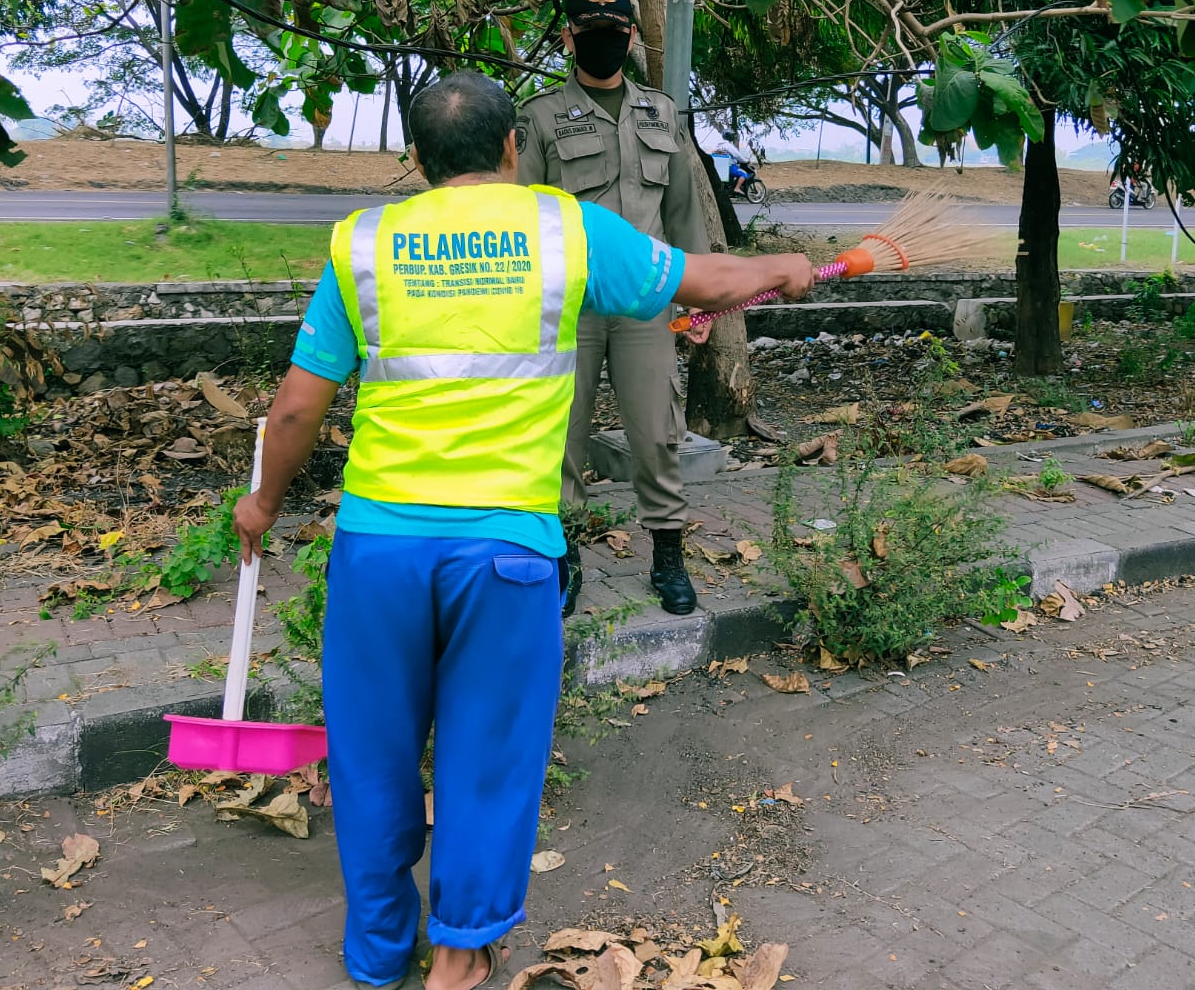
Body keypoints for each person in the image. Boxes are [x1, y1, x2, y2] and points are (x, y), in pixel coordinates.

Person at [231, 70, 813, 990]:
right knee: (488, 758)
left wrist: (262, 503)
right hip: (505, 555)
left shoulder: (363, 243)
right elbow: (706, 279)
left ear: (416, 159)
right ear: (512, 146)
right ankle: (461, 952)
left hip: (379, 551)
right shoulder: (563, 228)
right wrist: (787, 268)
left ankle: (377, 953)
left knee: (372, 754)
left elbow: (298, 406)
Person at [515, 0, 713, 620]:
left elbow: (682, 212)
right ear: (568, 37)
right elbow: (523, 218)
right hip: (566, 306)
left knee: (657, 434)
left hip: (646, 302)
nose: (603, 40)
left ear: (630, 38)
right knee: (559, 438)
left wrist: (699, 295)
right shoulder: (540, 117)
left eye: (614, 31)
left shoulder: (662, 113)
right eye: (590, 31)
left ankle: (668, 556)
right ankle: (565, 557)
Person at [714, 130, 751, 196]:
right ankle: (737, 188)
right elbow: (737, 155)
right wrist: (746, 161)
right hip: (729, 166)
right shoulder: (728, 145)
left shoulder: (718, 145)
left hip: (720, 167)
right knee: (744, 174)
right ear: (730, 136)